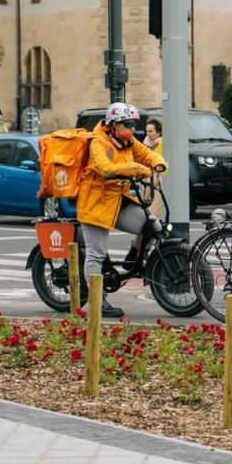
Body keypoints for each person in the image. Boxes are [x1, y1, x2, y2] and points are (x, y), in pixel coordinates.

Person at [76, 102, 166, 318]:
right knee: (96, 254)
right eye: (128, 124)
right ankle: (99, 302)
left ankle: (131, 260)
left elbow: (145, 153)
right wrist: (134, 168)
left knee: (151, 225)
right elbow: (105, 168)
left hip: (117, 199)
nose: (133, 129)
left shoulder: (126, 140)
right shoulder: (98, 142)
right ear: (114, 125)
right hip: (95, 203)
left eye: (134, 124)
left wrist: (159, 163)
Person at [143, 118, 164, 220]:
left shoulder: (161, 144)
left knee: (155, 208)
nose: (148, 134)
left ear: (158, 132)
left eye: (151, 131)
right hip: (147, 179)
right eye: (147, 131)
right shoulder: (145, 144)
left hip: (158, 179)